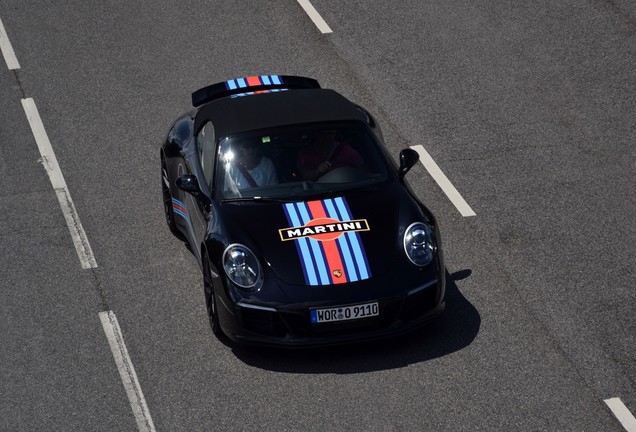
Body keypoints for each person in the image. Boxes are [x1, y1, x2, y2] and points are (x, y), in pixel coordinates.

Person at [297, 129, 365, 180]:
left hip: (348, 188)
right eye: (324, 133)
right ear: (317, 134)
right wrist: (317, 171)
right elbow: (304, 177)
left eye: (331, 133)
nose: (327, 137)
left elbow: (363, 170)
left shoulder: (346, 150)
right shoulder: (306, 153)